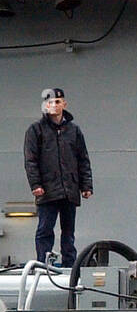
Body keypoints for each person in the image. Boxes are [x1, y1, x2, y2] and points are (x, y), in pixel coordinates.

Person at [23, 88, 93, 266]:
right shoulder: (36, 130)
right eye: (50, 102)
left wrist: (86, 186)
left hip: (69, 189)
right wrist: (36, 185)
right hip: (47, 190)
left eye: (57, 101)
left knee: (68, 231)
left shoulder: (74, 131)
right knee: (45, 229)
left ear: (64, 104)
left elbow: (83, 159)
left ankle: (70, 264)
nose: (54, 105)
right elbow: (30, 160)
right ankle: (43, 263)